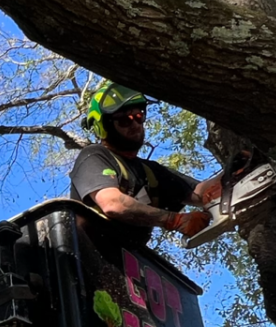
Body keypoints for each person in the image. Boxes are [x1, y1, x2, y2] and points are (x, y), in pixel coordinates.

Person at [71, 80, 214, 244]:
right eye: (125, 120)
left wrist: (234, 172)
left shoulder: (150, 172)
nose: (135, 124)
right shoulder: (95, 155)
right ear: (104, 126)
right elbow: (112, 203)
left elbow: (201, 192)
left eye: (138, 116)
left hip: (127, 260)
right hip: (86, 256)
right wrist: (173, 219)